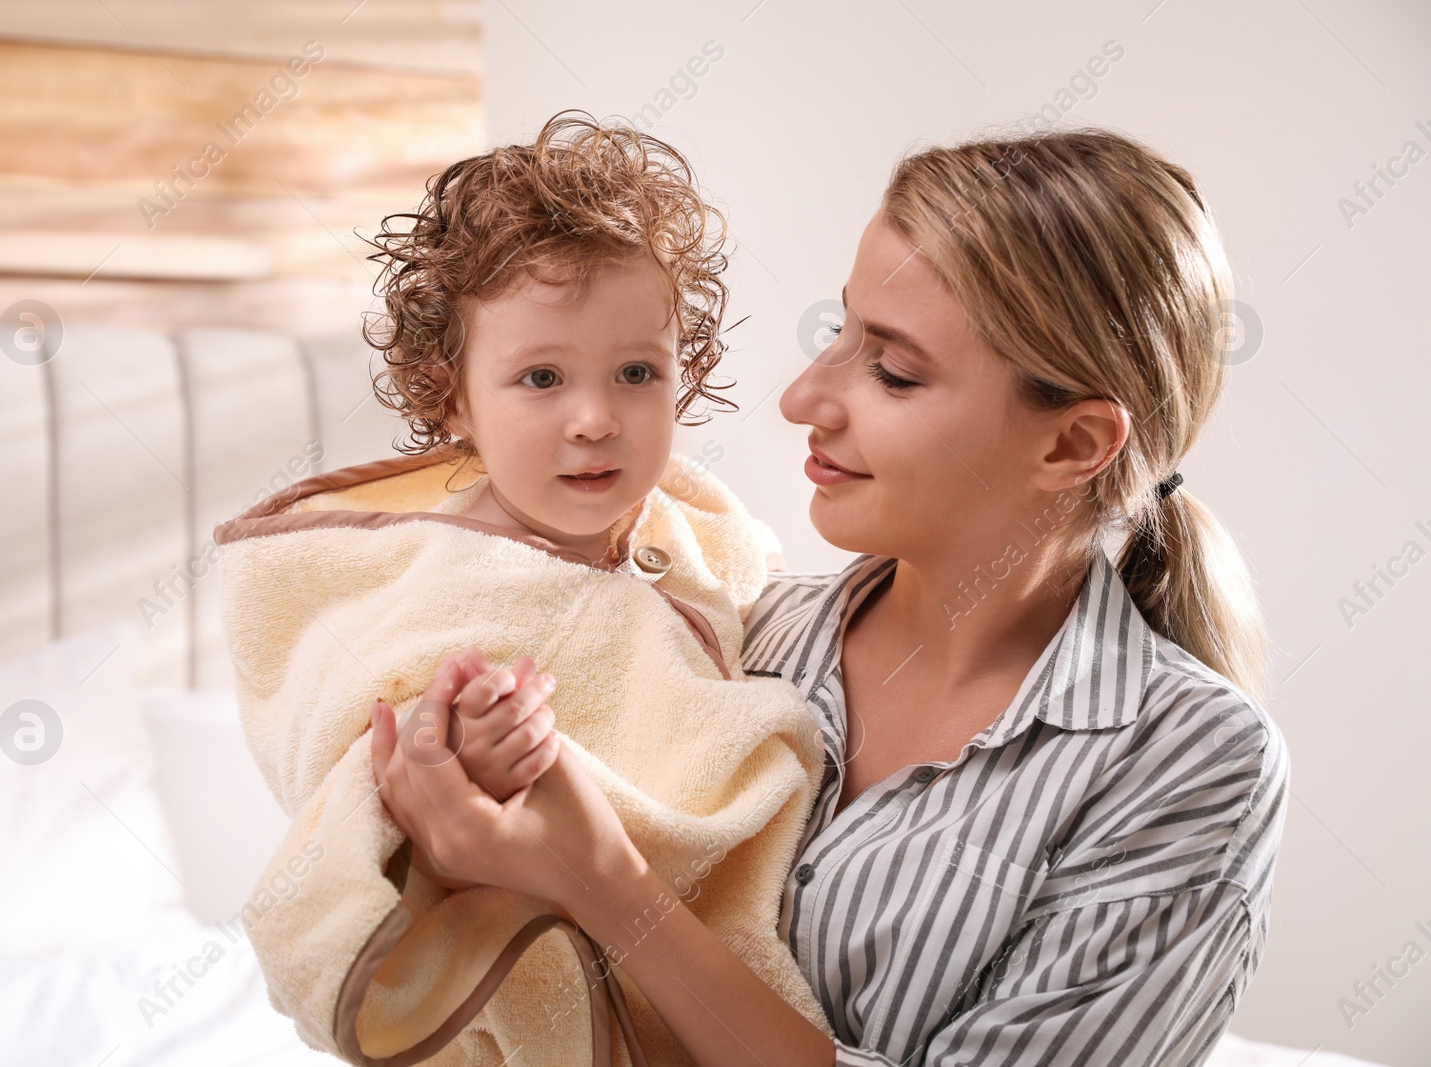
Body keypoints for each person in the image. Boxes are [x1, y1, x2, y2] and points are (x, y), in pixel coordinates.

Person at [371, 127, 1292, 1066]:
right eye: (837, 333)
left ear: (1070, 445)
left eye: (892, 370)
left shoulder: (1191, 760)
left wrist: (604, 882)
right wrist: (454, 833)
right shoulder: (738, 631)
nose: (802, 396)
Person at [214, 111, 828, 1065]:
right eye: (540, 377)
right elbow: (356, 743)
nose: (595, 419)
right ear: (451, 395)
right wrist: (459, 764)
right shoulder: (436, 587)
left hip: (698, 972)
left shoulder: (692, 526)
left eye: (637, 372)